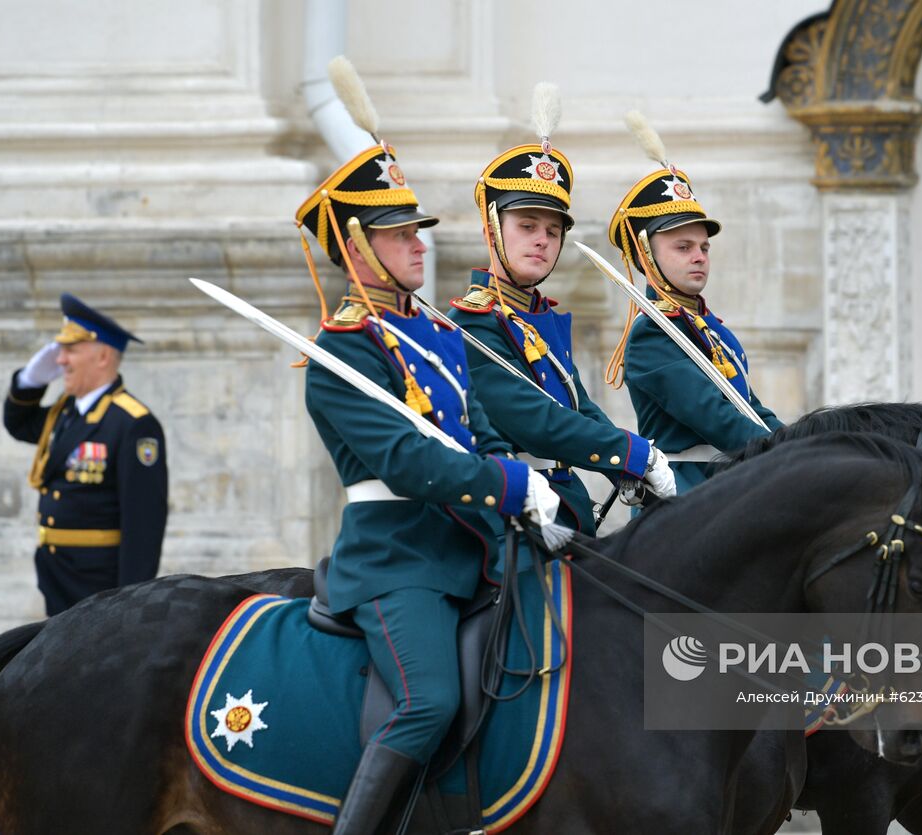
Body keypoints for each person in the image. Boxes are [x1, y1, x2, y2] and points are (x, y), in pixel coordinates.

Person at [296, 57, 559, 835]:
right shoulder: (341, 353)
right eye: (396, 233)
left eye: (415, 230)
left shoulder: (436, 335)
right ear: (355, 247)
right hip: (396, 558)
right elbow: (408, 464)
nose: (416, 244)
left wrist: (531, 484)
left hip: (470, 542)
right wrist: (506, 485)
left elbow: (475, 433)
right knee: (429, 699)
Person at [448, 84, 675, 535]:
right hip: (507, 519)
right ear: (493, 229)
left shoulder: (538, 317)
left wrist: (629, 470)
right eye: (527, 226)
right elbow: (535, 421)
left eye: (553, 231)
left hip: (566, 502)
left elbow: (576, 405)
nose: (542, 240)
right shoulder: (473, 325)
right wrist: (628, 452)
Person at [606, 113, 784, 493]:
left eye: (704, 247)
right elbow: (716, 418)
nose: (700, 256)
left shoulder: (706, 327)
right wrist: (786, 458)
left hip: (723, 484)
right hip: (686, 495)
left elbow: (749, 409)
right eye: (683, 247)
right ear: (645, 254)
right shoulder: (652, 334)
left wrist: (804, 443)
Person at [3, 294, 167, 616]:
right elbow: (18, 425)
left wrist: (128, 603)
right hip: (57, 573)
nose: (60, 360)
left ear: (103, 356)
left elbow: (143, 525)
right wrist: (29, 381)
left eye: (70, 350)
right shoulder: (65, 413)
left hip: (99, 585)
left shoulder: (132, 423)